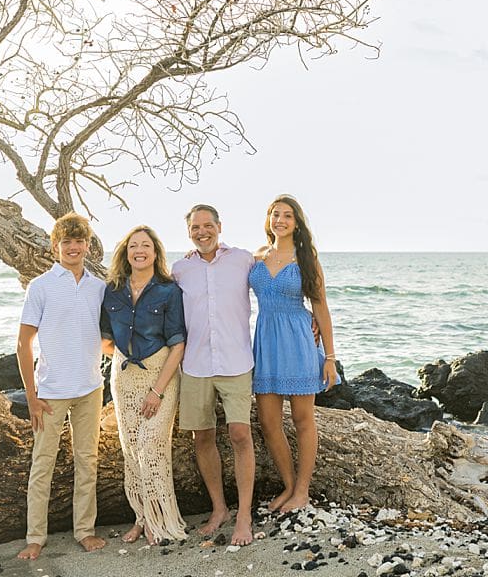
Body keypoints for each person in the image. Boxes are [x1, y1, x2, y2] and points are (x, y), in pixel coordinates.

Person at [15, 212, 107, 560]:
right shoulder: (40, 287)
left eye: (79, 240)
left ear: (87, 245)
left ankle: (84, 530)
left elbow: (104, 338)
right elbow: (23, 344)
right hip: (50, 393)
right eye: (66, 241)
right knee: (43, 465)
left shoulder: (98, 287)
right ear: (56, 247)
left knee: (88, 462)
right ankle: (35, 537)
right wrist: (31, 397)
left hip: (90, 389)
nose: (73, 246)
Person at [171, 204, 256, 545]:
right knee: (202, 437)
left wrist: (309, 314)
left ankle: (245, 515)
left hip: (236, 361)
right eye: (195, 227)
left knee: (239, 434)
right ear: (188, 231)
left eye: (208, 225)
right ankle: (219, 508)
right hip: (195, 365)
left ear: (220, 227)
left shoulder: (243, 260)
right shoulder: (180, 269)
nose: (202, 232)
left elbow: (277, 282)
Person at [250, 194, 339, 512]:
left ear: (297, 222)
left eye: (288, 215)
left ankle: (302, 492)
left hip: (299, 341)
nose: (281, 220)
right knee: (269, 422)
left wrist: (330, 358)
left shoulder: (307, 259)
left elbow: (321, 307)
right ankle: (289, 487)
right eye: (276, 214)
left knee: (303, 420)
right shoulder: (257, 256)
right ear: (268, 219)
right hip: (266, 343)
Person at [100, 225, 188, 544]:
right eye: (133, 245)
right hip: (123, 379)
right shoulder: (112, 290)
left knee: (151, 446)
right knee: (132, 450)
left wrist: (156, 390)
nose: (140, 250)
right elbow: (104, 338)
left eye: (146, 245)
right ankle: (141, 516)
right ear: (126, 252)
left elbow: (178, 344)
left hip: (159, 374)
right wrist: (121, 354)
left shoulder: (168, 290)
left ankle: (160, 519)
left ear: (155, 252)